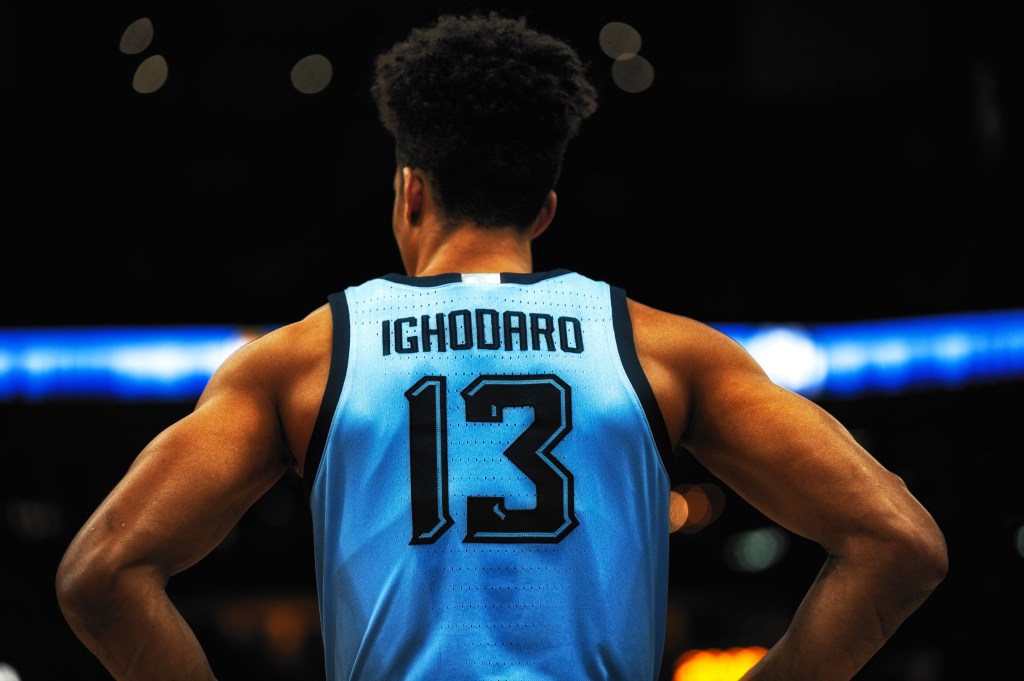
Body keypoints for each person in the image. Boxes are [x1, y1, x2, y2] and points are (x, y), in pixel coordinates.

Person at [55, 12, 948, 681]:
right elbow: (901, 543)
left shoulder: (305, 359)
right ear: (544, 209)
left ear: (410, 191)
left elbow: (100, 573)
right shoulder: (667, 353)